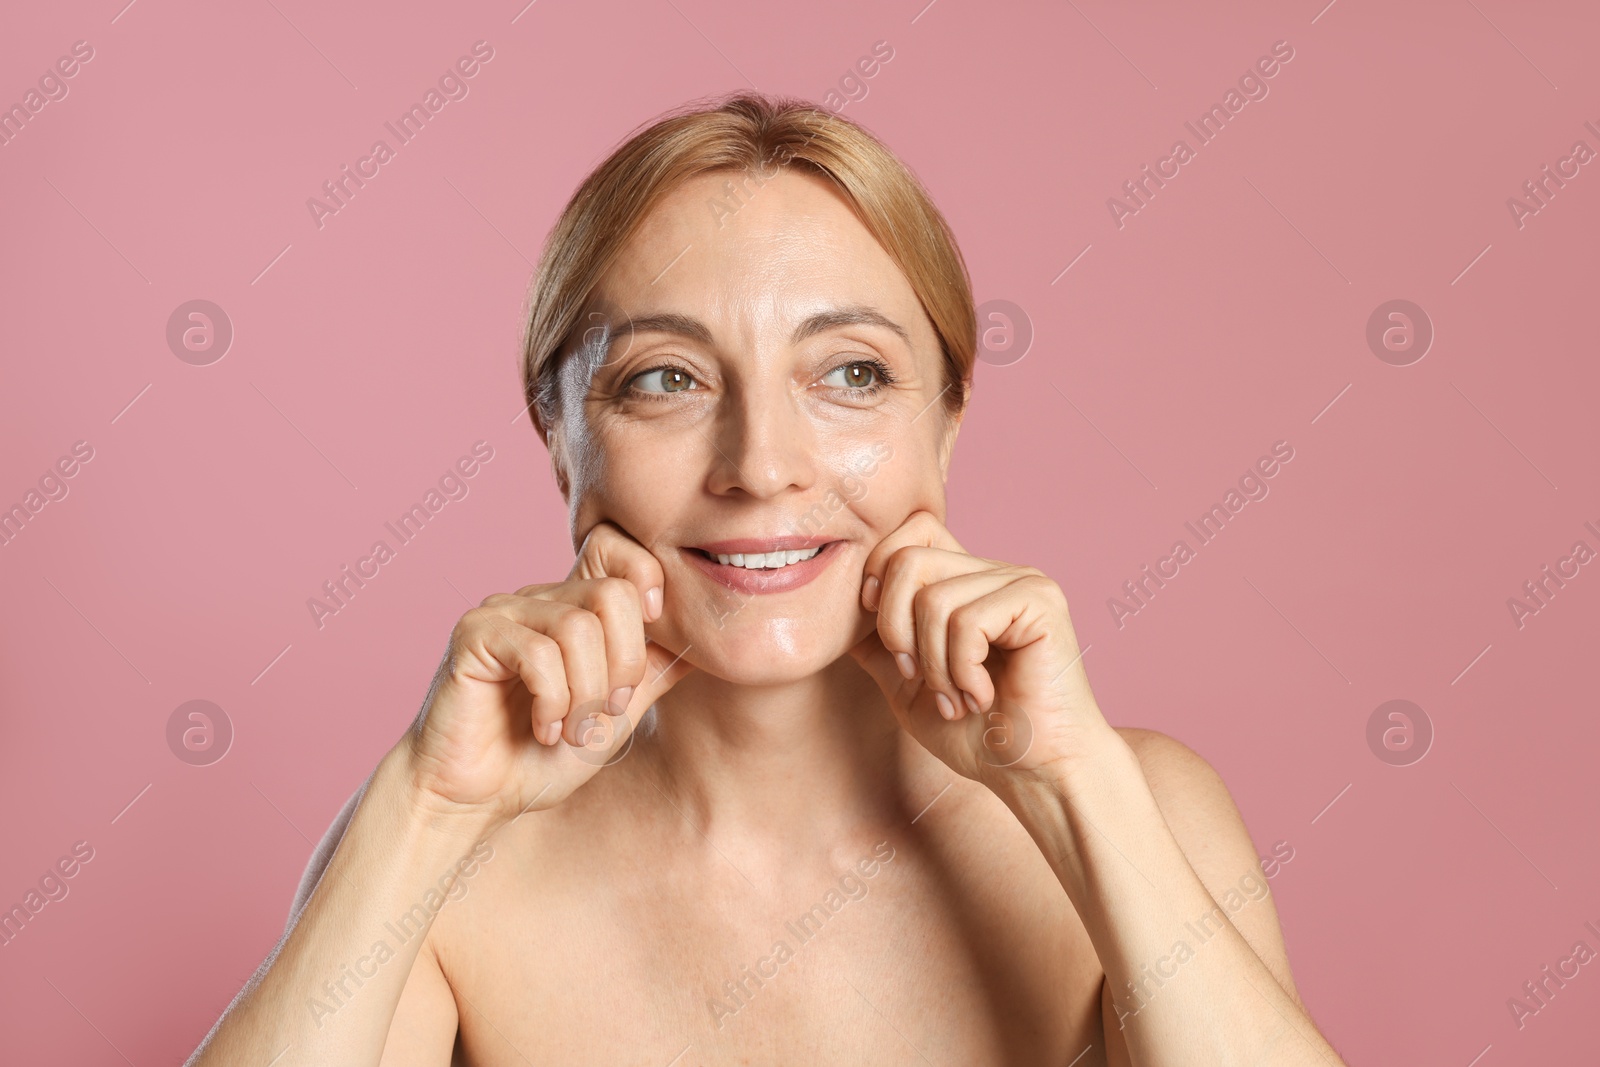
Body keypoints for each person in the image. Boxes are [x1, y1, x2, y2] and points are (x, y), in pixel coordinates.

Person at [186, 91, 1347, 1065]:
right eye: (664, 379)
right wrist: (428, 811)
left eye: (849, 372)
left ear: (944, 423)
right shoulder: (438, 858)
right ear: (556, 431)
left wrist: (1067, 785)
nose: (761, 466)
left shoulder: (1135, 807)